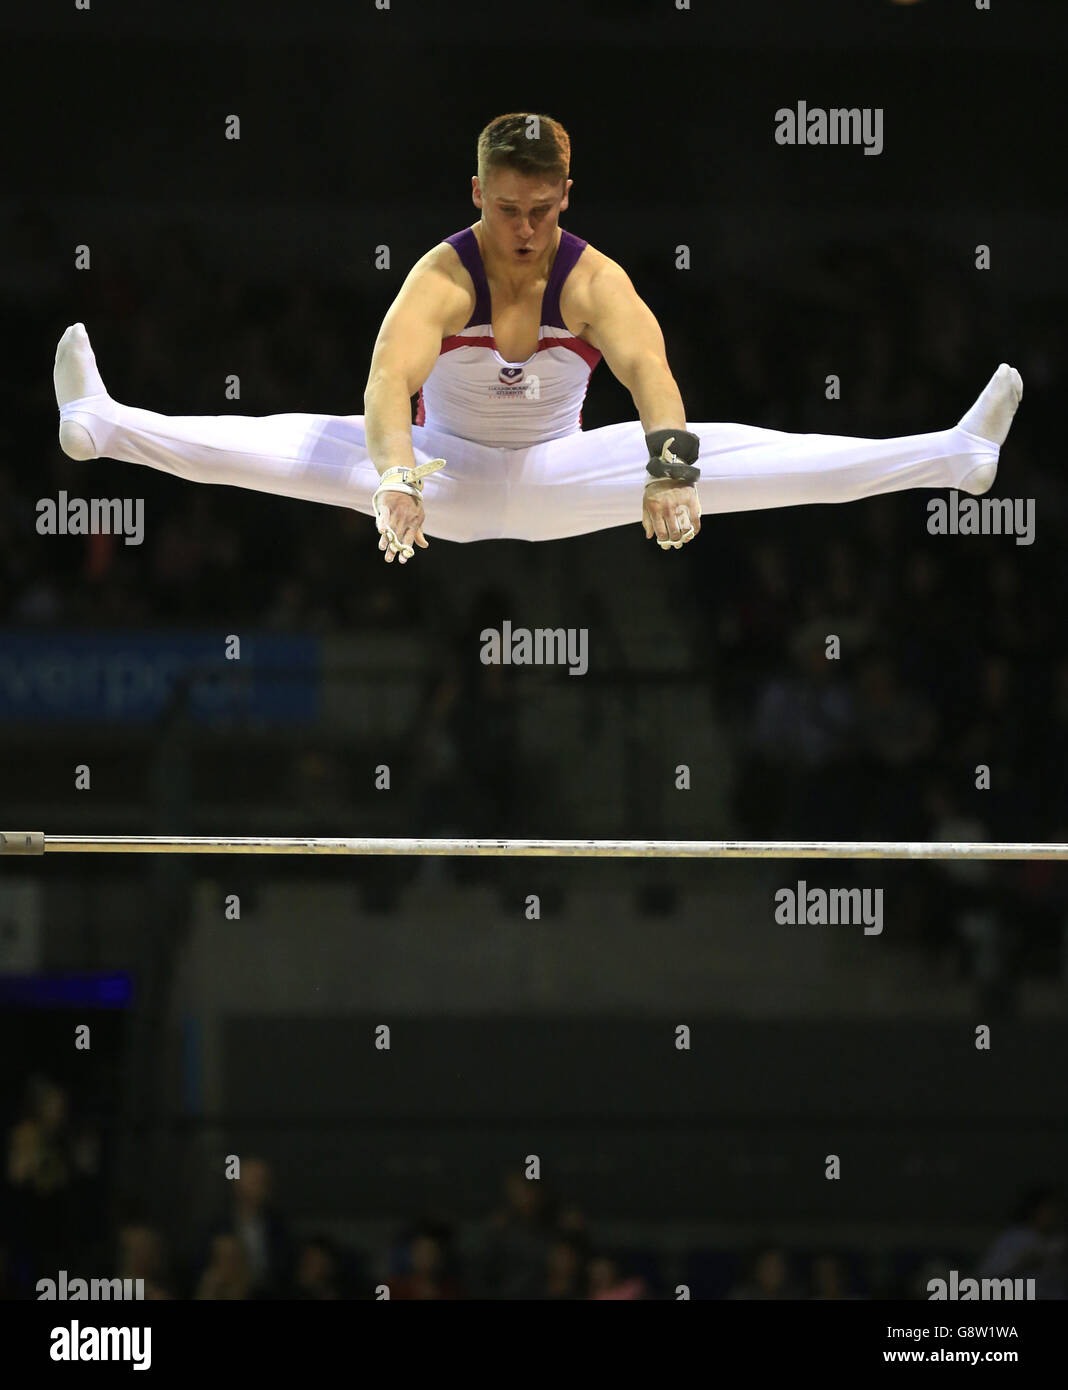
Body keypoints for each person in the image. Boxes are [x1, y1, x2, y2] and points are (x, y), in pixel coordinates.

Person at [54, 112, 1021, 566]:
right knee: (283, 445)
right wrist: (393, 480)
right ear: (475, 194)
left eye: (543, 210)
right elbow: (385, 392)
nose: (524, 230)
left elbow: (656, 385)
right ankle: (103, 423)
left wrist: (672, 476)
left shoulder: (594, 281)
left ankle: (955, 456)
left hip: (563, 476)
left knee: (734, 458)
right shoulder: (439, 278)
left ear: (568, 197)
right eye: (508, 208)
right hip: (437, 475)